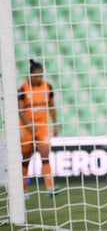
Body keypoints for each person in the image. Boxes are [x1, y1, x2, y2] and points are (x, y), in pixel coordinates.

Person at [18, 59, 60, 199]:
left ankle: (50, 187)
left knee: (45, 154)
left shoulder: (47, 86)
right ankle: (23, 190)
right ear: (30, 75)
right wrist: (29, 125)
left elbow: (51, 106)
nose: (39, 78)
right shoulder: (23, 89)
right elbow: (20, 110)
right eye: (36, 76)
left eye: (41, 75)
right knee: (25, 158)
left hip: (42, 126)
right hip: (26, 126)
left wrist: (55, 124)